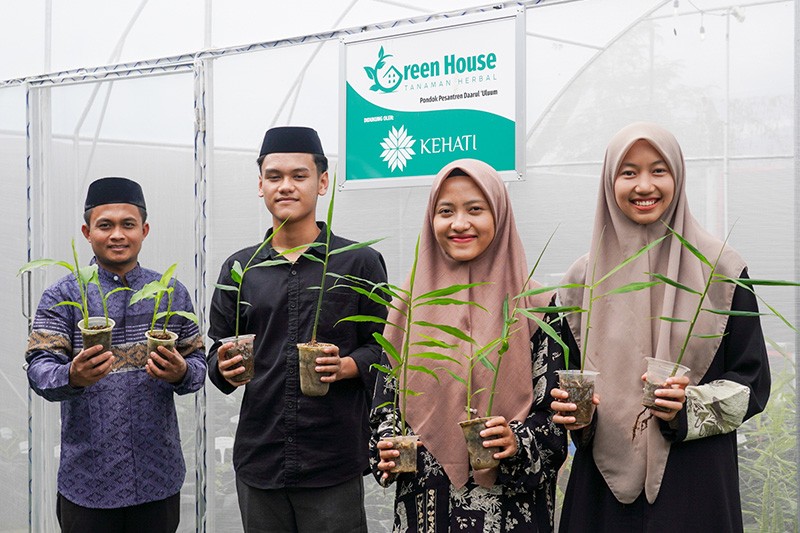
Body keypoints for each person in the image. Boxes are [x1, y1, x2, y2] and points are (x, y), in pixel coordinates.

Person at [551, 122, 771, 532]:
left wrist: (690, 405)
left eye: (658, 170)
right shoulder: (582, 281)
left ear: (678, 176)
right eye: (628, 172)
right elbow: (563, 384)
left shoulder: (721, 270)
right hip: (602, 490)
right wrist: (571, 414)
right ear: (608, 181)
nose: (644, 185)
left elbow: (753, 382)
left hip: (695, 480)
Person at [207, 126, 388, 533]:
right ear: (260, 186)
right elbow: (216, 351)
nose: (285, 186)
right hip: (261, 458)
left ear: (322, 182)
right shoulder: (241, 268)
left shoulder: (358, 262)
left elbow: (386, 348)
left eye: (299, 176)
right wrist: (223, 368)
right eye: (274, 177)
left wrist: (347, 366)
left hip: (331, 461)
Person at [372, 158, 568, 532]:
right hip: (426, 507)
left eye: (475, 209)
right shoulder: (407, 307)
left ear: (499, 215)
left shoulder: (536, 307)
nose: (459, 224)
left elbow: (555, 418)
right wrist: (386, 447)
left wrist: (517, 441)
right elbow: (385, 402)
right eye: (446, 211)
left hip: (509, 510)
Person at [25, 176, 207, 533]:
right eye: (105, 225)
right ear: (87, 231)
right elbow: (39, 368)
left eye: (128, 224)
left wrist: (181, 371)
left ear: (145, 229)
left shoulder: (168, 292)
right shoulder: (64, 294)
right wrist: (71, 376)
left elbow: (199, 365)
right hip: (89, 482)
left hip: (158, 476)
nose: (117, 235)